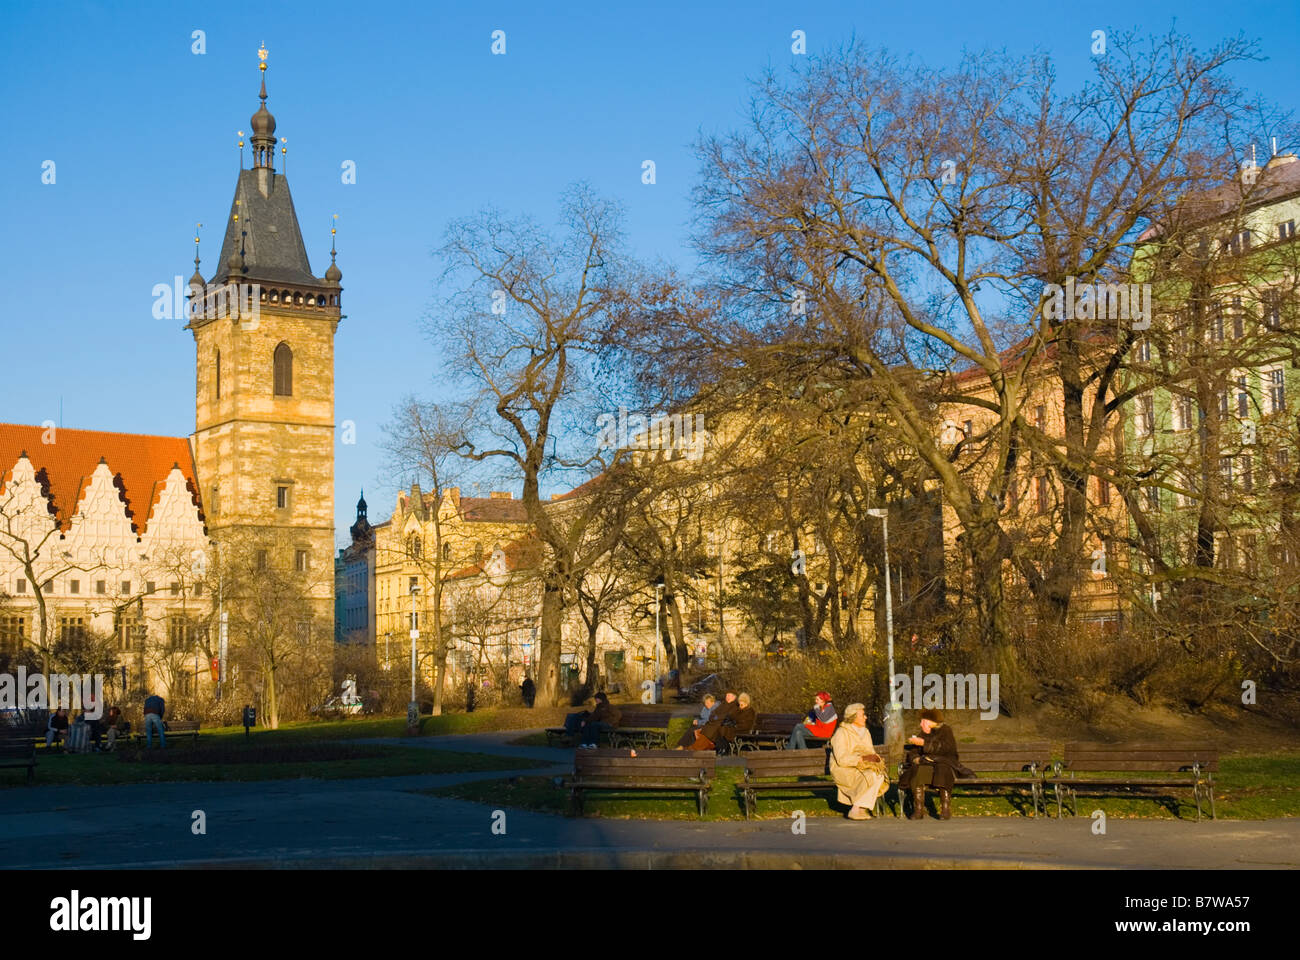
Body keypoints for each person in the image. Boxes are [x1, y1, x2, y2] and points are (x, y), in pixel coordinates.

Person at [899, 708, 963, 820]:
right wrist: (916, 759)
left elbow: (946, 749)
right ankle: (918, 809)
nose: (920, 724)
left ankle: (945, 809)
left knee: (943, 770)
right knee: (918, 771)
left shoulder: (945, 730)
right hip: (928, 764)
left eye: (922, 721)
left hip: (944, 763)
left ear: (930, 721)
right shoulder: (923, 733)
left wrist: (924, 743)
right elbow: (913, 753)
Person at [828, 702, 888, 820]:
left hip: (862, 766)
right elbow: (841, 759)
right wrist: (861, 759)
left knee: (879, 775)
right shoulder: (841, 733)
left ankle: (859, 809)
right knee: (870, 776)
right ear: (853, 717)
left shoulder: (865, 732)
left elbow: (870, 751)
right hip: (844, 769)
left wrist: (875, 758)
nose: (865, 717)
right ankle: (856, 810)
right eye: (862, 715)